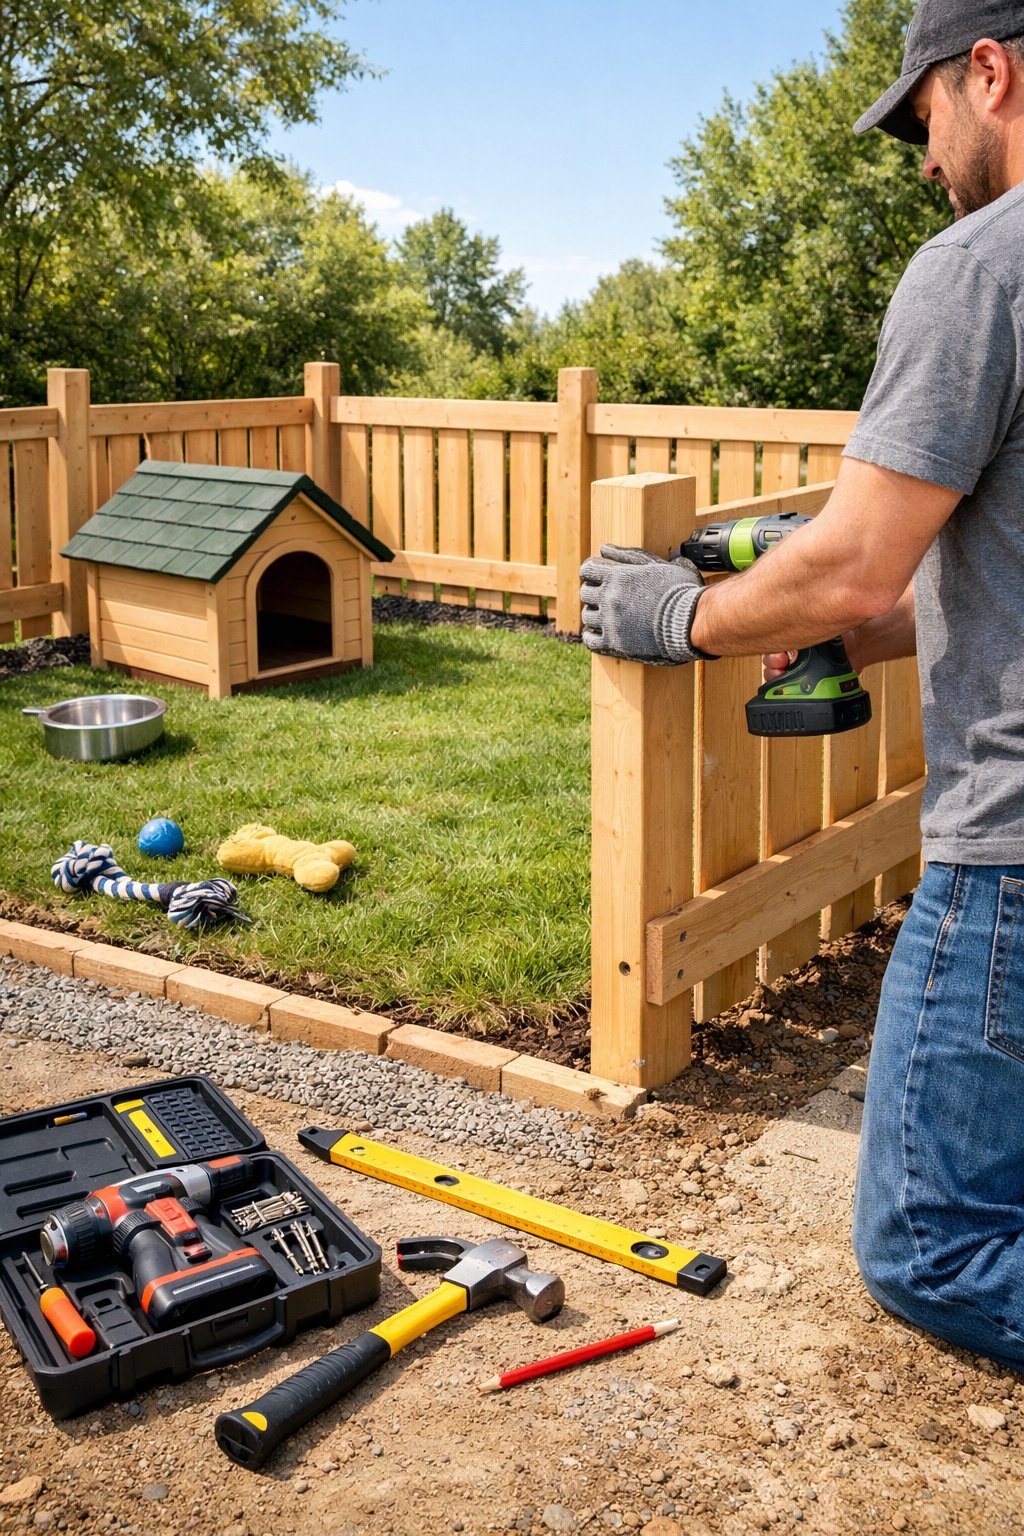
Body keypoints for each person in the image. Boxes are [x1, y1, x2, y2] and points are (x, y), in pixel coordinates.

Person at [580, 0, 1024, 1369]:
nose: (922, 157)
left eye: (923, 118)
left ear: (991, 72)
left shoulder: (982, 269)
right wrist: (884, 631)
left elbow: (842, 569)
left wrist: (687, 610)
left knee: (933, 1239)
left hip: (1013, 851)